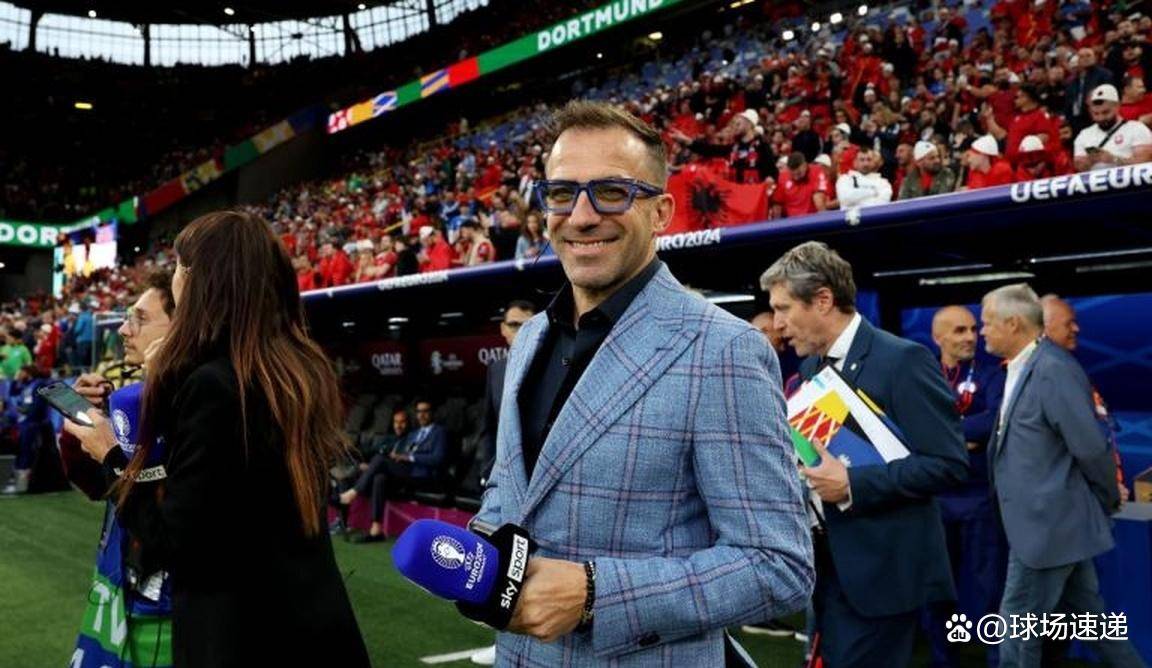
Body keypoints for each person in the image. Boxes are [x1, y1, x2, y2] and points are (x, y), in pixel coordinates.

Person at [477, 101, 813, 665]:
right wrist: (484, 548)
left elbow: (778, 566)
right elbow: (513, 489)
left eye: (611, 192)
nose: (582, 216)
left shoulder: (723, 349)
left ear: (661, 212)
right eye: (562, 193)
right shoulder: (531, 337)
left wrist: (594, 595)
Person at [64, 210, 370, 667]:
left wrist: (110, 452)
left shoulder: (214, 387)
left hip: (246, 636)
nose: (176, 279)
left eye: (180, 266)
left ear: (202, 281)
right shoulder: (291, 373)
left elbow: (173, 542)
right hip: (309, 624)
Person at [761, 241, 967, 667]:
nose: (777, 324)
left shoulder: (903, 361)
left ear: (822, 300)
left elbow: (948, 464)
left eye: (783, 309)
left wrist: (852, 484)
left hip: (884, 576)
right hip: (827, 570)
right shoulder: (811, 368)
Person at [980, 284, 1143, 667]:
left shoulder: (1052, 369)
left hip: (1048, 527)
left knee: (1017, 635)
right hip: (1048, 526)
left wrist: (1106, 496)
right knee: (1096, 626)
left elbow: (1090, 446)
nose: (982, 330)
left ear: (1013, 323)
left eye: (987, 323)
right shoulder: (1024, 367)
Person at [925, 305, 1008, 668]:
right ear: (937, 337)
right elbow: (911, 423)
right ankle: (943, 660)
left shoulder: (993, 375)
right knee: (938, 589)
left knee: (991, 588)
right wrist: (964, 437)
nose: (971, 337)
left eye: (974, 329)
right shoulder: (922, 374)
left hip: (980, 498)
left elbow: (995, 419)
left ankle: (998, 659)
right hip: (935, 497)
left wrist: (942, 435)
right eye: (960, 330)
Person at [469, 299, 536, 667]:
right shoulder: (496, 369)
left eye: (527, 323)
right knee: (499, 561)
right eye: (514, 324)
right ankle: (504, 638)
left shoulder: (555, 361)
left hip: (539, 483)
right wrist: (486, 470)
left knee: (533, 564)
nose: (520, 331)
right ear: (502, 330)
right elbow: (488, 425)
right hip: (500, 483)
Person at [1041, 295, 1130, 502]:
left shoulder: (1068, 368)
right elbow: (1082, 443)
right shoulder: (1045, 376)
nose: (1076, 329)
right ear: (1044, 328)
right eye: (1068, 323)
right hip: (1066, 498)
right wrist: (1108, 487)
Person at [338, 399, 448, 542]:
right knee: (380, 477)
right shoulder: (414, 434)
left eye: (425, 411)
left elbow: (438, 459)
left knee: (380, 460)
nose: (422, 415)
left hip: (423, 475)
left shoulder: (440, 432)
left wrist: (410, 457)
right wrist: (398, 457)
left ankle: (353, 493)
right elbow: (403, 453)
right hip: (406, 471)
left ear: (432, 413)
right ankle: (376, 530)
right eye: (419, 412)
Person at [1072, 84, 1152, 172]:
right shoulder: (1084, 135)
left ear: (1117, 106)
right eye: (1096, 114)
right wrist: (1090, 161)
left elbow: (1144, 164)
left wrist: (1113, 159)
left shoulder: (1137, 129)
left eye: (1105, 112)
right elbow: (1080, 168)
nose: (1101, 118)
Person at [772, 151, 832, 218]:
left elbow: (819, 201)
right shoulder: (782, 177)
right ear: (788, 169)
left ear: (805, 165)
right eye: (793, 174)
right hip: (792, 221)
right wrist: (777, 223)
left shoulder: (816, 171)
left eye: (799, 173)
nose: (796, 177)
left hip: (813, 218)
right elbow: (777, 204)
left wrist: (823, 219)